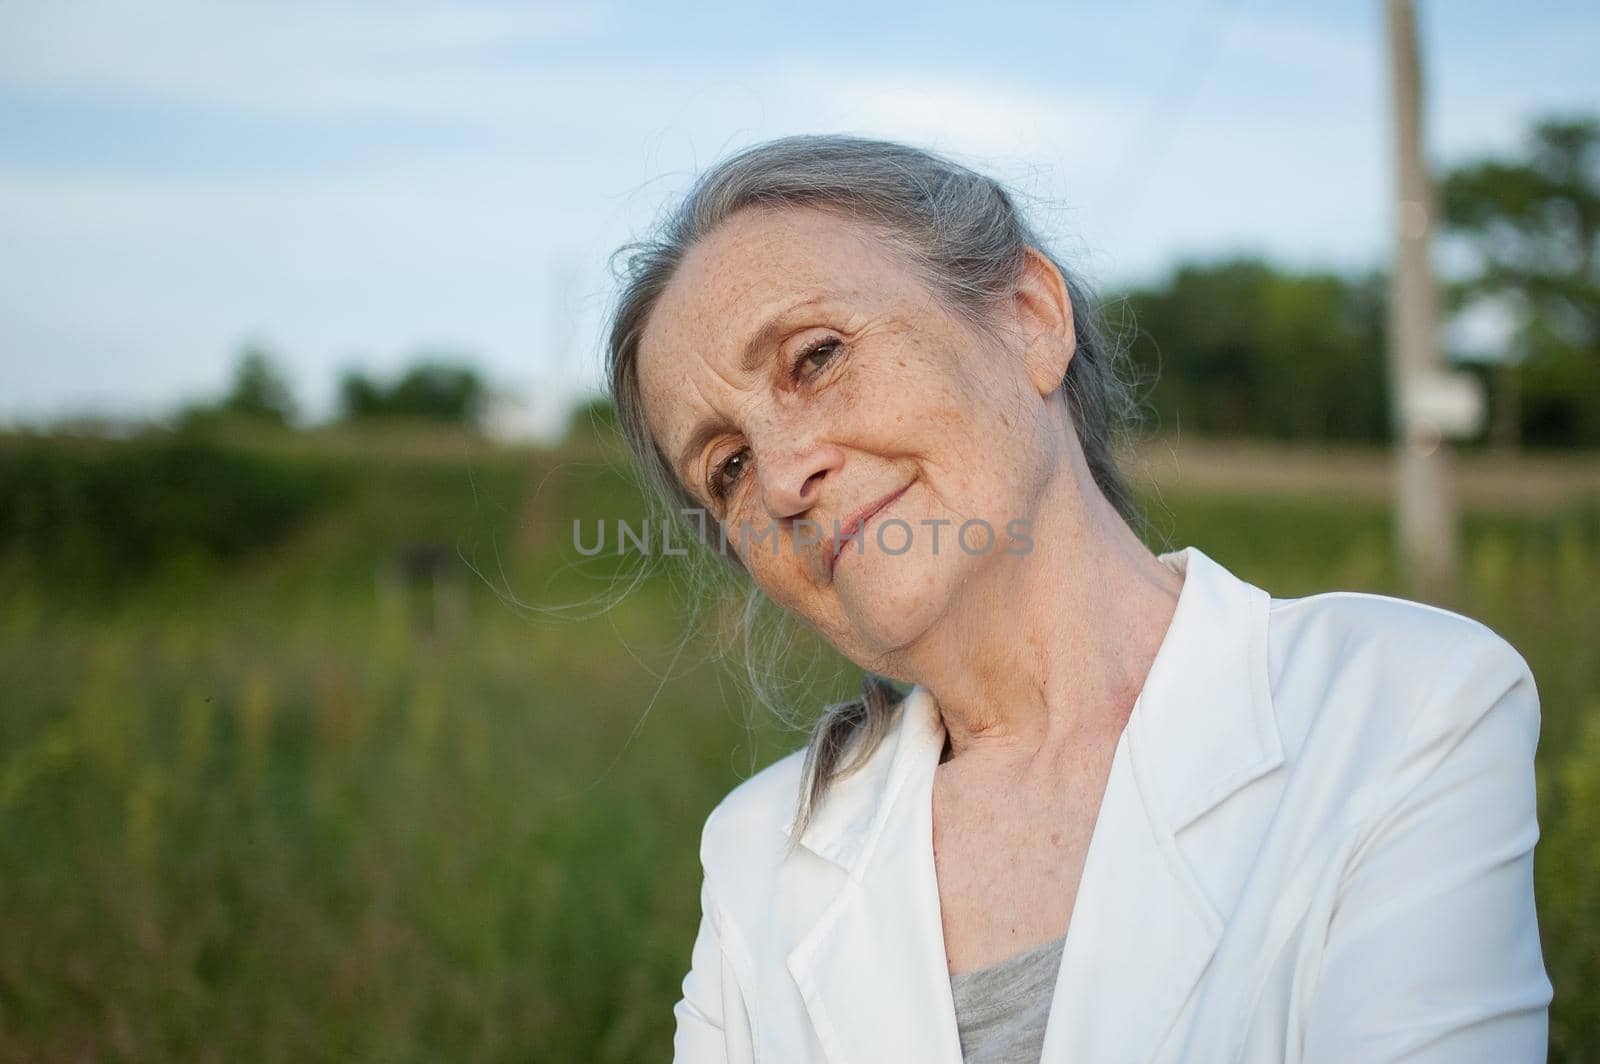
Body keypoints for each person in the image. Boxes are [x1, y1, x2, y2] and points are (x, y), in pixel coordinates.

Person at [603, 133, 1552, 1063]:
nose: (779, 480)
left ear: (1028, 316)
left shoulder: (1403, 706)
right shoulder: (756, 853)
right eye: (725, 467)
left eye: (816, 358)